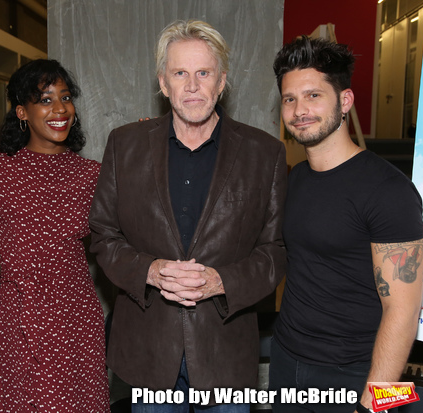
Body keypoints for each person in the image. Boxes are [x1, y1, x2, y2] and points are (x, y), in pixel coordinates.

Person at [89, 19, 287, 412]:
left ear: (222, 81)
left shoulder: (264, 153)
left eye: (204, 73)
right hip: (148, 352)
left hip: (225, 353)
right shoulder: (123, 145)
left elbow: (276, 251)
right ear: (163, 83)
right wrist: (149, 271)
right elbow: (103, 234)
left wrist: (221, 282)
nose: (192, 86)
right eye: (180, 73)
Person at [269, 36, 423, 413]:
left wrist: (377, 402)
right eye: (290, 99)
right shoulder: (296, 178)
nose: (299, 110)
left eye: (313, 96)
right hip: (287, 360)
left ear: (345, 101)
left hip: (356, 373)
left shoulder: (388, 190)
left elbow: (403, 312)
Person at [0, 59, 110, 412]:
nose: (59, 109)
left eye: (65, 97)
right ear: (22, 111)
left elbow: (123, 239)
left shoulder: (92, 175)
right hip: (23, 319)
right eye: (45, 99)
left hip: (77, 319)